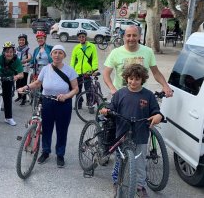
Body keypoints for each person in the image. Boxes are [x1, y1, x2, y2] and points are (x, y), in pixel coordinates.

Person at [99, 64, 163, 198]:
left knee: (140, 164)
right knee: (119, 161)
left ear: (142, 80)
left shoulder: (148, 95)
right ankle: (117, 183)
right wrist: (106, 111)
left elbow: (156, 111)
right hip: (122, 134)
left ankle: (140, 186)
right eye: (131, 78)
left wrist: (158, 116)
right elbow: (112, 108)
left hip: (141, 134)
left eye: (137, 79)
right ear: (126, 78)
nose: (133, 82)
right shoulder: (120, 94)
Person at [18, 45, 78, 167]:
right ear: (51, 55)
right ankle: (45, 152)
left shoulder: (70, 70)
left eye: (60, 53)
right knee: (46, 129)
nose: (57, 55)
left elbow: (75, 89)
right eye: (55, 53)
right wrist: (26, 87)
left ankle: (60, 154)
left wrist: (66, 96)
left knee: (62, 130)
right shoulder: (45, 69)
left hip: (63, 103)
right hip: (47, 101)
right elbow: (38, 83)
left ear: (64, 55)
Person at [103, 25, 173, 97]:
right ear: (124, 37)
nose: (131, 38)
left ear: (139, 37)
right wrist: (112, 89)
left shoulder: (148, 51)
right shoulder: (115, 52)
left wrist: (165, 86)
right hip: (120, 95)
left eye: (134, 35)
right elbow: (106, 74)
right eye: (128, 35)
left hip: (142, 95)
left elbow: (156, 72)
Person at [70, 29, 99, 113]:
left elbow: (94, 59)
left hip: (88, 72)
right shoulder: (76, 48)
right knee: (77, 89)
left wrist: (94, 69)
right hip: (77, 72)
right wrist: (72, 71)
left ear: (85, 37)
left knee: (88, 89)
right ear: (78, 38)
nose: (81, 38)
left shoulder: (92, 46)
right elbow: (73, 60)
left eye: (83, 36)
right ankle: (79, 103)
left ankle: (90, 103)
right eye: (80, 37)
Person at [15, 33, 32, 106]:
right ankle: (19, 96)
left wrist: (22, 61)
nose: (21, 41)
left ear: (25, 41)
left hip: (24, 68)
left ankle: (24, 98)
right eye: (20, 40)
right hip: (17, 68)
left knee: (23, 83)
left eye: (23, 40)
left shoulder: (27, 49)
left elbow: (29, 57)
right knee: (17, 83)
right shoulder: (16, 49)